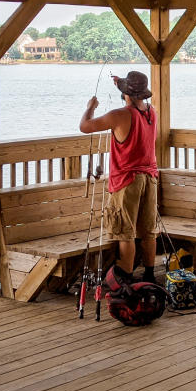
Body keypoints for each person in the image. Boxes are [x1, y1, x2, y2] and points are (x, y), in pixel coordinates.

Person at [78, 71, 159, 282]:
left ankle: (126, 277)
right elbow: (133, 99)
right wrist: (121, 85)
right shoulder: (152, 112)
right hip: (150, 178)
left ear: (127, 94)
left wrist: (90, 108)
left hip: (127, 180)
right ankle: (150, 276)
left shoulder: (120, 115)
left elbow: (85, 127)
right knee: (148, 231)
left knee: (125, 232)